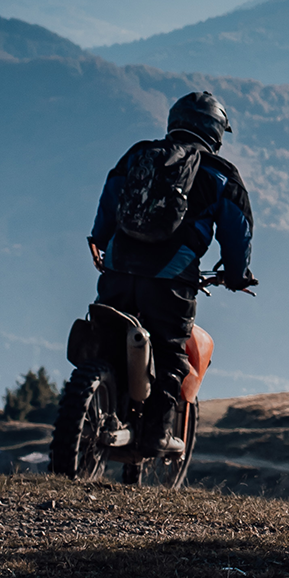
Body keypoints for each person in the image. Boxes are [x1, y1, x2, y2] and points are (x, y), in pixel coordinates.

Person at [87, 91, 256, 455]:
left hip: (117, 266)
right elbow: (238, 230)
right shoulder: (220, 174)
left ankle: (97, 404)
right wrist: (237, 275)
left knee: (106, 336)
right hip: (171, 279)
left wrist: (100, 240)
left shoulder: (139, 154)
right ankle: (157, 434)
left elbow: (110, 198)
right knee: (170, 352)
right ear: (216, 132)